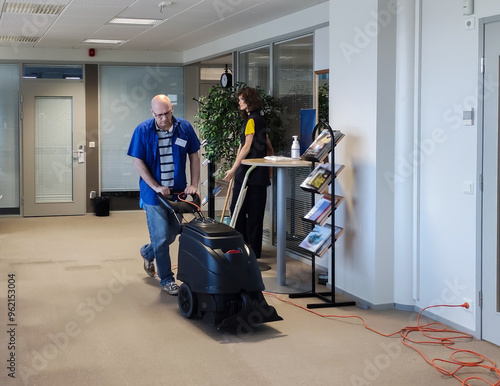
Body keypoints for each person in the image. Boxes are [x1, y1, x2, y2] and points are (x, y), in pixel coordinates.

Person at [127, 94, 200, 295]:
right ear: (152, 113)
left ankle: (147, 252)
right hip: (153, 195)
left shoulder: (184, 128)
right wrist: (156, 186)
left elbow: (194, 156)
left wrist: (194, 184)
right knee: (161, 237)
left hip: (177, 192)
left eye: (166, 113)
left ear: (172, 109)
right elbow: (138, 163)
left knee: (173, 232)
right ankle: (167, 279)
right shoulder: (143, 130)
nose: (163, 119)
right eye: (158, 115)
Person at [223, 87, 273, 259]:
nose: (239, 102)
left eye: (241, 99)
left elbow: (246, 147)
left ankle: (239, 248)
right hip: (259, 175)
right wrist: (269, 171)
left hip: (247, 174)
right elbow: (269, 148)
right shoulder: (261, 120)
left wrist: (233, 168)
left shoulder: (251, 120)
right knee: (255, 214)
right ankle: (254, 251)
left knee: (237, 210)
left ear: (249, 101)